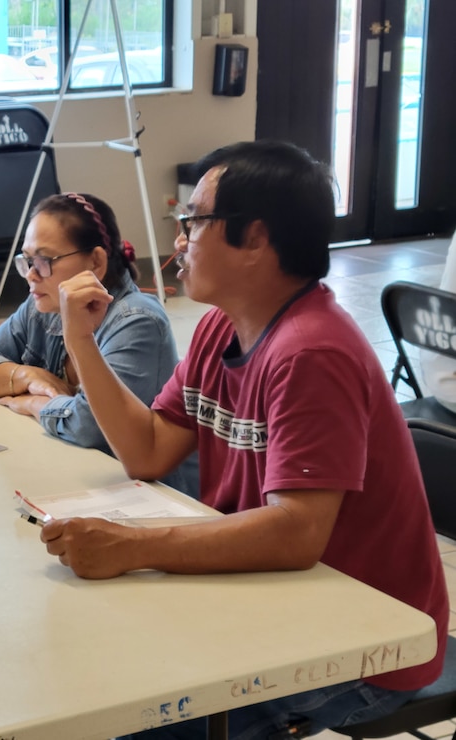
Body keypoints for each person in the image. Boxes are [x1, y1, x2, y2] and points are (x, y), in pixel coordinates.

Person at [41, 141, 449, 738]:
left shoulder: (312, 351)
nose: (180, 240)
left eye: (194, 221)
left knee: (128, 723)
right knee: (96, 677)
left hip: (363, 643)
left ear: (255, 239)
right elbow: (149, 450)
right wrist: (80, 341)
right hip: (269, 599)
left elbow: (296, 533)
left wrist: (133, 547)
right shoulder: (216, 330)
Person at [0, 192, 197, 496]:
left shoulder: (136, 319)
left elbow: (88, 426)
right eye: (27, 261)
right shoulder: (42, 305)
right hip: (78, 477)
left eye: (43, 261)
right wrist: (27, 377)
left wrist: (33, 403)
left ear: (96, 261)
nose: (30, 275)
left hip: (149, 496)